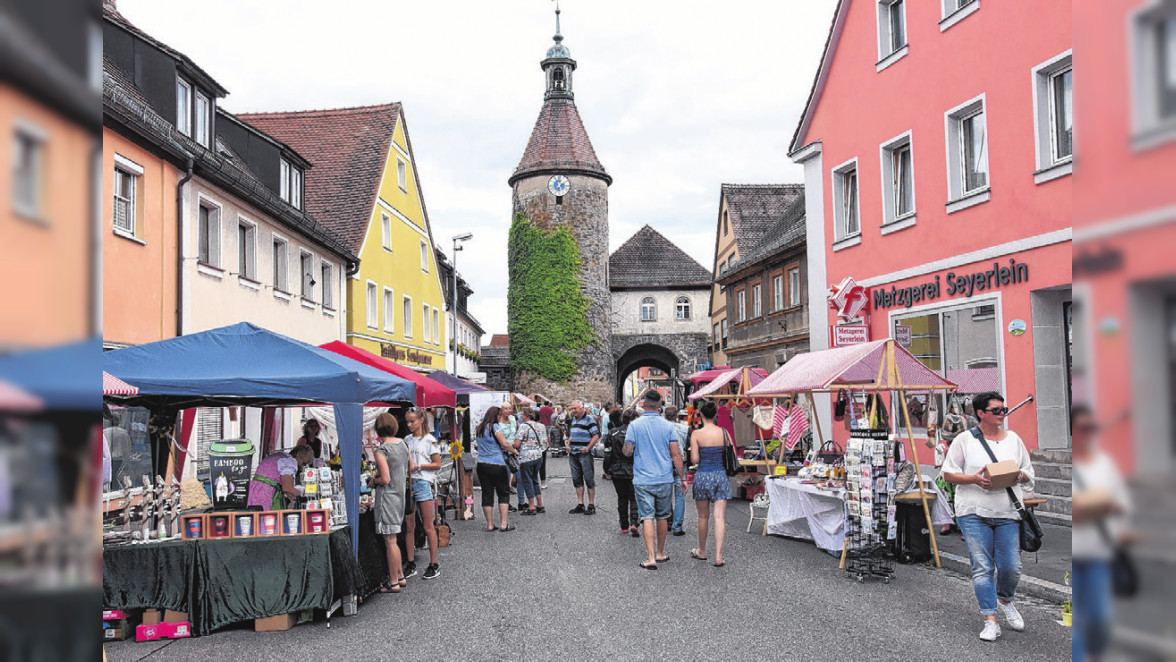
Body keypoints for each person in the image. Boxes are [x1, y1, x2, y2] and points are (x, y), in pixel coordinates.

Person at [941, 392, 1035, 642]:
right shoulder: (964, 440)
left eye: (1003, 409)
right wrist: (974, 478)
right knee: (982, 567)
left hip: (1007, 511)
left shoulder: (1013, 439)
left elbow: (1029, 471)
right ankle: (990, 620)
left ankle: (1005, 599)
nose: (1002, 413)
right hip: (973, 512)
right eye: (996, 410)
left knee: (1011, 567)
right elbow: (948, 473)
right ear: (980, 413)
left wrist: (1019, 476)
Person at [1071, 405, 1132, 662]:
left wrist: (1106, 507)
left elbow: (1123, 504)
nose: (1089, 434)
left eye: (1092, 428)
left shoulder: (1104, 463)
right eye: (1084, 428)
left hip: (1099, 553)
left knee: (1099, 617)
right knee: (1077, 624)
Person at [624, 390, 686, 570]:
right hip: (664, 477)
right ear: (660, 405)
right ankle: (660, 552)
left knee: (647, 517)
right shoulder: (668, 427)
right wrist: (682, 478)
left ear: (643, 404)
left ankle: (650, 557)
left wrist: (630, 448)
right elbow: (676, 455)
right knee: (662, 516)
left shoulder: (634, 425)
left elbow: (627, 451)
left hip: (643, 478)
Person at [370, 413, 410, 593]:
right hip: (400, 494)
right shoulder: (402, 444)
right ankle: (400, 575)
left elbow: (385, 478)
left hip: (387, 497)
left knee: (390, 540)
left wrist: (374, 480)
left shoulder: (382, 450)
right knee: (394, 538)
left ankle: (392, 581)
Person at [689, 400, 730, 567]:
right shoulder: (723, 432)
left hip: (703, 475)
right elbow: (730, 452)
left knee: (703, 516)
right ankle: (719, 556)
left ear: (701, 415)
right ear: (716, 415)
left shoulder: (696, 434)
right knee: (719, 516)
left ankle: (702, 550)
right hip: (720, 475)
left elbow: (694, 459)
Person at [403, 408, 442, 581]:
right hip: (409, 483)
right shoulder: (406, 440)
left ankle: (433, 563)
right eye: (407, 422)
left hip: (423, 482)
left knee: (428, 525)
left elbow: (437, 464)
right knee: (409, 525)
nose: (409, 425)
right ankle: (410, 563)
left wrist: (418, 466)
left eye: (412, 421)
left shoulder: (429, 440)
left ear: (421, 420)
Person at [474, 406, 520, 532]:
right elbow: (504, 443)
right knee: (503, 493)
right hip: (497, 463)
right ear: (496, 415)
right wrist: (514, 451)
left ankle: (489, 524)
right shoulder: (495, 427)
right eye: (499, 415)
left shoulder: (479, 428)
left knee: (487, 493)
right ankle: (503, 524)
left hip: (482, 464)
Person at [604, 408, 640, 536]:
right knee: (633, 497)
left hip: (617, 468)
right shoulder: (636, 433)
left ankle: (624, 524)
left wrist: (606, 469)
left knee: (622, 497)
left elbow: (607, 453)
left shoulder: (613, 433)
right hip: (633, 468)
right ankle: (634, 522)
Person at [247, 444, 315, 510]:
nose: (302, 467)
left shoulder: (280, 456)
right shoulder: (289, 461)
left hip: (255, 490)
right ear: (298, 455)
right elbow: (287, 488)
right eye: (304, 463)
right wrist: (305, 496)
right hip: (265, 494)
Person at [565, 400, 600, 515]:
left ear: (582, 408)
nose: (573, 411)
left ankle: (591, 504)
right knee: (577, 479)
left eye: (575, 408)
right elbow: (572, 434)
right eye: (572, 409)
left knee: (589, 479)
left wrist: (588, 448)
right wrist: (568, 444)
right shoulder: (574, 419)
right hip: (573, 454)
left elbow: (596, 435)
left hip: (584, 454)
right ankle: (580, 504)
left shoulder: (589, 419)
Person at [515, 407, 548, 515]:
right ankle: (540, 504)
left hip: (526, 456)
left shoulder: (523, 427)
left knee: (527, 481)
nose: (520, 416)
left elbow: (517, 444)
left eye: (522, 414)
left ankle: (531, 506)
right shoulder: (537, 425)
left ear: (526, 415)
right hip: (538, 455)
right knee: (535, 479)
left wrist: (509, 445)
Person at [664, 406, 689, 537]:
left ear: (665, 416)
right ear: (677, 416)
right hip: (681, 463)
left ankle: (668, 521)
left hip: (665, 464)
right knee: (680, 496)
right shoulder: (685, 429)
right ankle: (677, 526)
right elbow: (688, 447)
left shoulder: (661, 429)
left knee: (667, 495)